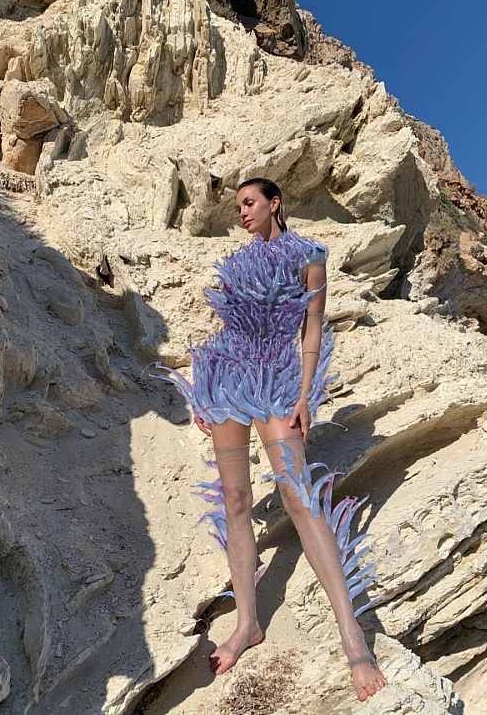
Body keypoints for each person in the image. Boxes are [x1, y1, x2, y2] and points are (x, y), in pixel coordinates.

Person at [162, 178, 387, 702]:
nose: (242, 212)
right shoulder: (239, 261)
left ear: (274, 203)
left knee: (300, 498)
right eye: (238, 206)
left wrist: (306, 394)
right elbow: (227, 328)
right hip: (226, 379)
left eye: (250, 203)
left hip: (278, 379)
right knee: (235, 500)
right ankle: (248, 624)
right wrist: (203, 392)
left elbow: (313, 328)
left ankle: (354, 639)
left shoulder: (309, 254)